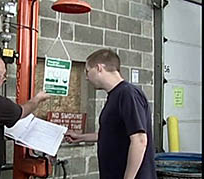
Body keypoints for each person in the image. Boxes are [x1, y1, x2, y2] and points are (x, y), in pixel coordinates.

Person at [65, 49, 157, 179]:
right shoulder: (114, 96)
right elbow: (114, 133)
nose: (86, 77)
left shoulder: (128, 93)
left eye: (87, 71)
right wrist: (81, 137)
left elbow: (140, 140)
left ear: (99, 68)